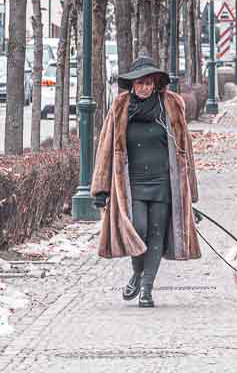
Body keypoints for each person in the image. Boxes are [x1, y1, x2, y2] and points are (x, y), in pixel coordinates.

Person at [91, 57, 201, 308]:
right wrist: (101, 188)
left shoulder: (171, 105)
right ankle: (138, 273)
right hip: (132, 185)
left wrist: (189, 196)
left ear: (155, 84)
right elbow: (106, 147)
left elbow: (185, 150)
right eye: (139, 83)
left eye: (148, 83)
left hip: (164, 183)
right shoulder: (120, 107)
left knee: (156, 236)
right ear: (132, 84)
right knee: (137, 229)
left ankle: (147, 289)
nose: (144, 88)